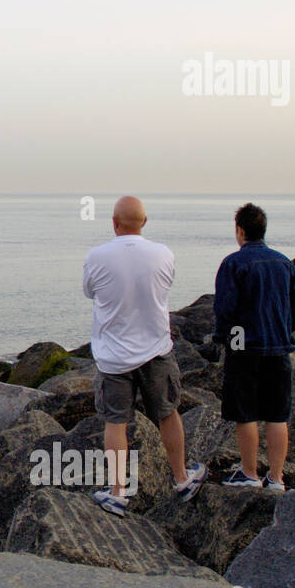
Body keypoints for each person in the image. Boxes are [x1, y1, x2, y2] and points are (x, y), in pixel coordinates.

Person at [82, 196, 207, 517]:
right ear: (145, 222)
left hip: (113, 356)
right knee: (167, 413)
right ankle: (181, 477)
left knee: (115, 422)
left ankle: (117, 493)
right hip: (156, 350)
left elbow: (90, 292)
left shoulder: (97, 256)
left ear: (113, 222)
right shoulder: (163, 254)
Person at [211, 203, 295, 491]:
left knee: (246, 412)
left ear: (240, 230)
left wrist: (223, 339)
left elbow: (225, 308)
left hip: (244, 348)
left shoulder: (233, 263)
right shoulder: (284, 263)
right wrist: (284, 329)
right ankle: (276, 477)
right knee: (278, 414)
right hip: (278, 347)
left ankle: (249, 473)